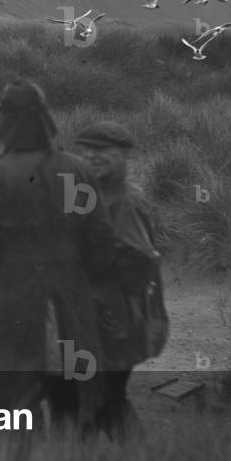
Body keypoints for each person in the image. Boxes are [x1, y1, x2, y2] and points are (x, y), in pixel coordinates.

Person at [0, 78, 120, 439]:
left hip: (8, 308)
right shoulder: (78, 170)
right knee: (74, 406)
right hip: (68, 302)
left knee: (13, 414)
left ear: (5, 121)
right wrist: (85, 278)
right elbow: (101, 241)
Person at [75, 120, 169, 441]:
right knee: (102, 400)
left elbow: (140, 260)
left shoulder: (124, 201)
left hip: (115, 320)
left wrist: (95, 282)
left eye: (101, 150)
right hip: (102, 316)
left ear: (123, 154)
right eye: (85, 149)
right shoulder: (94, 193)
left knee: (102, 399)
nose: (91, 156)